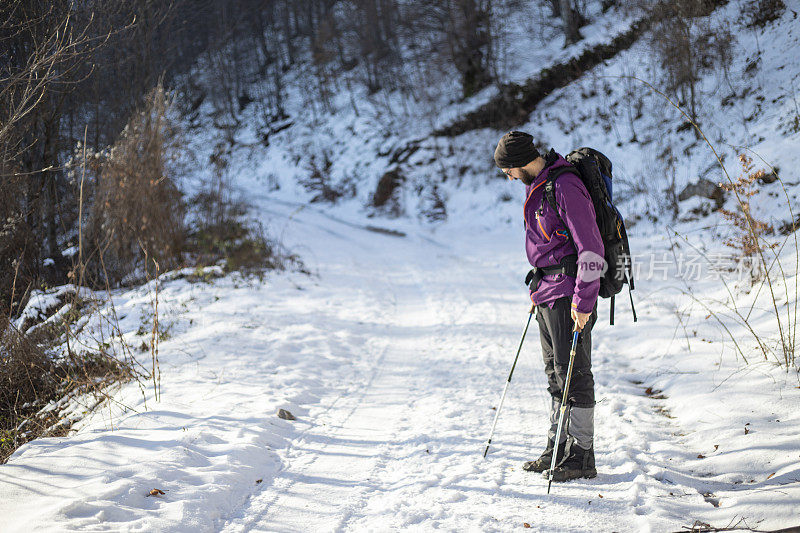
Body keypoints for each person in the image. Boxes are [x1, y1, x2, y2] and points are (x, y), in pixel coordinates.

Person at [494, 131, 604, 481]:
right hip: (547, 290)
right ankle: (557, 447)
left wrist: (584, 300)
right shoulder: (538, 186)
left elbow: (591, 248)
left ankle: (581, 455)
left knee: (575, 375)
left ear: (520, 163)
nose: (507, 177)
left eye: (508, 169)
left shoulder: (564, 186)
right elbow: (545, 245)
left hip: (570, 292)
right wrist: (537, 291)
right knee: (556, 375)